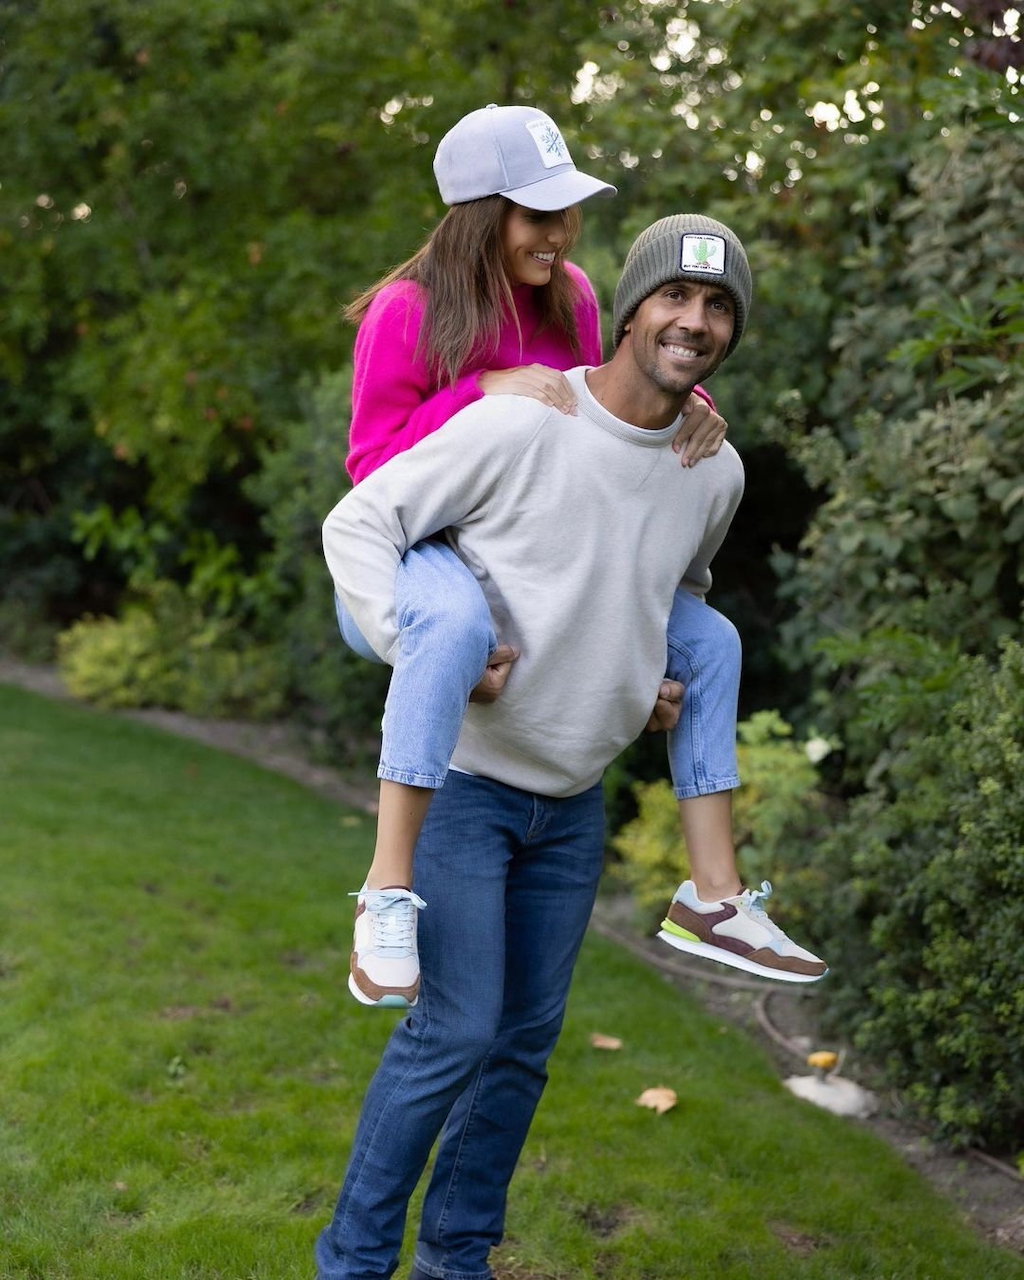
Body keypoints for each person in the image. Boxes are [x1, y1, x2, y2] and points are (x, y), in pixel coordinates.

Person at [318, 212, 828, 1280]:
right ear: (629, 305)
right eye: (675, 297)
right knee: (452, 1035)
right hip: (466, 787)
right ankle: (354, 1260)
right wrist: (413, 638)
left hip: (571, 805)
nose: (693, 320)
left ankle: (456, 1259)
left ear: (732, 331)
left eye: (718, 305)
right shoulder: (525, 423)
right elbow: (359, 522)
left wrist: (644, 677)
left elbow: (667, 599)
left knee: (516, 1053)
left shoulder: (712, 470)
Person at [335, 106, 780, 1012]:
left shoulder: (573, 294)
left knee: (714, 644)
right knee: (457, 623)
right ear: (477, 215)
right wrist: (478, 389)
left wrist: (686, 401)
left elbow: (602, 423)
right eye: (536, 215)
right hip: (417, 562)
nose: (560, 233)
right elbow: (374, 474)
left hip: (525, 558)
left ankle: (715, 897)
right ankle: (385, 892)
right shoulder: (405, 313)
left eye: (567, 212)